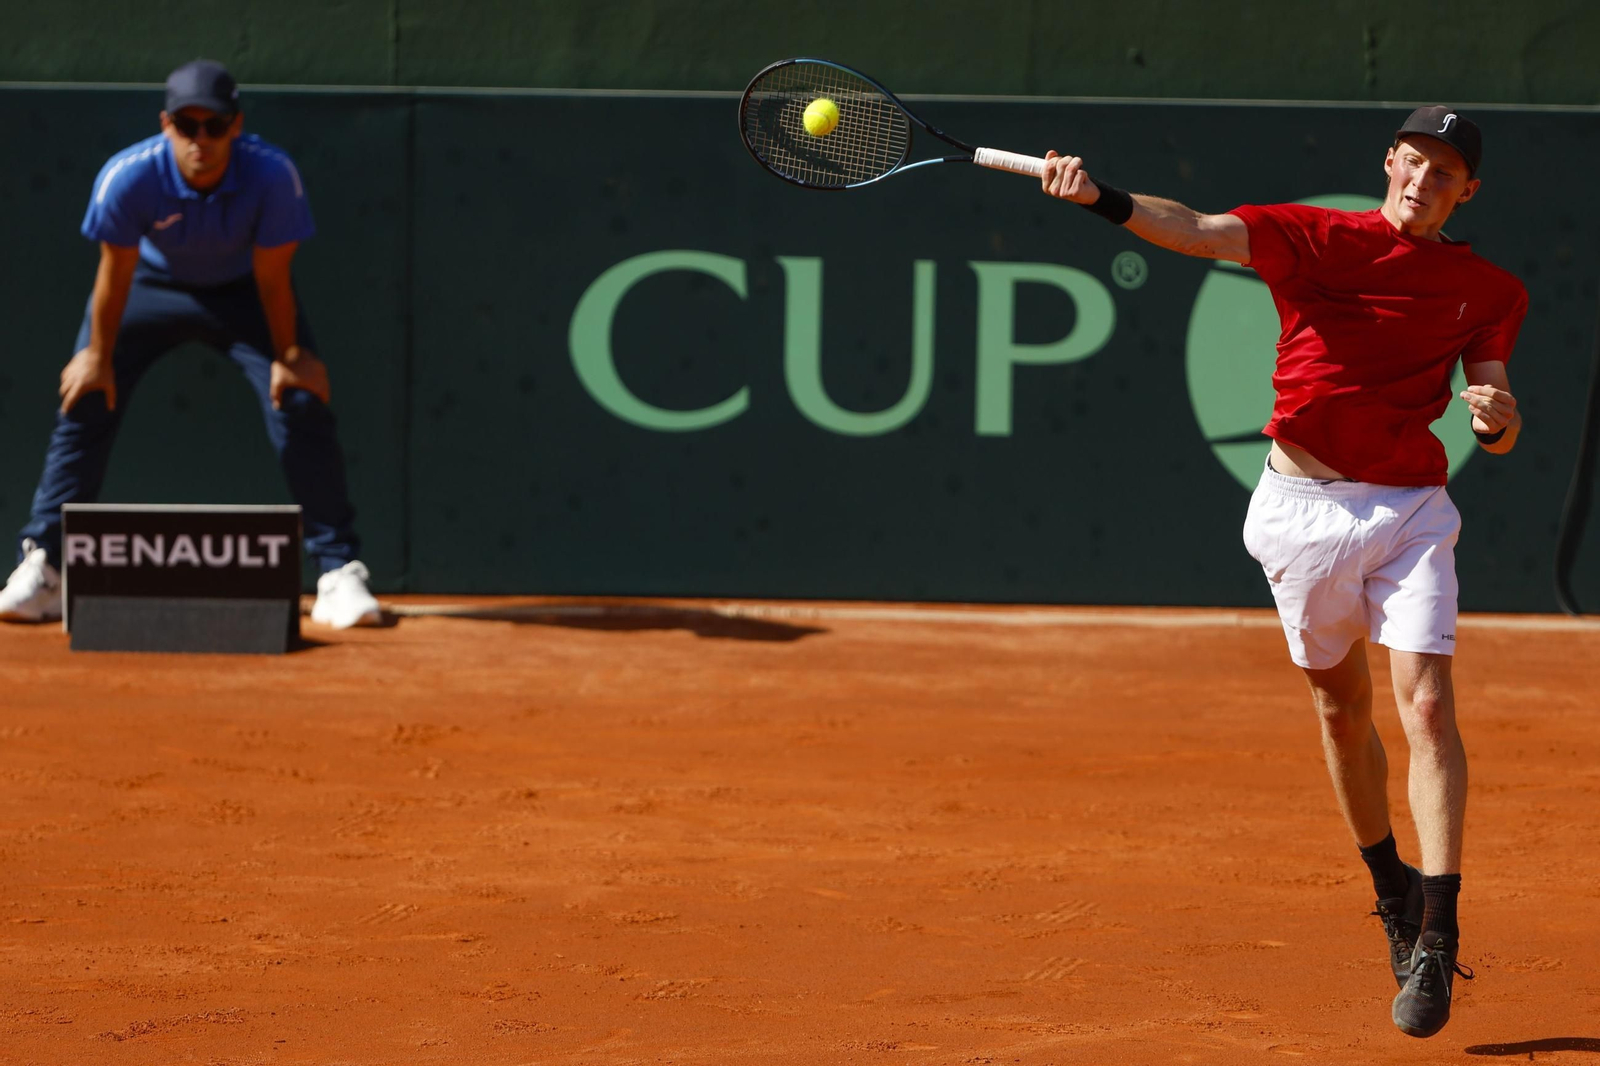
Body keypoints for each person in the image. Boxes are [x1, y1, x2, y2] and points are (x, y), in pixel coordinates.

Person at [1038, 106, 1526, 1038]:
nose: (1425, 177)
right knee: (1343, 713)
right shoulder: (1313, 236)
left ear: (1469, 190)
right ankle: (1392, 887)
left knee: (1426, 706)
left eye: (1446, 169)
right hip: (1301, 512)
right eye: (1414, 159)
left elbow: (1495, 413)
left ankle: (1436, 928)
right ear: (1390, 162)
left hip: (1411, 510)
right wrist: (1099, 197)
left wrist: (1494, 419)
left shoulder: (1488, 289)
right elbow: (1191, 229)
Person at [0, 59, 381, 630]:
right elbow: (114, 275)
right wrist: (99, 356)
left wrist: (288, 357)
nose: (201, 139)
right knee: (86, 392)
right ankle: (45, 566)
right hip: (149, 289)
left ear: (237, 124)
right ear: (165, 124)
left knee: (299, 397)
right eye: (187, 124)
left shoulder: (272, 176)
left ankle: (337, 569)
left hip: (245, 292)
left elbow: (274, 279)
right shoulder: (129, 177)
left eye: (215, 125)